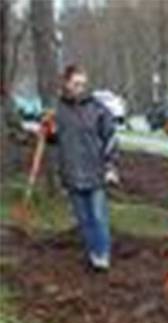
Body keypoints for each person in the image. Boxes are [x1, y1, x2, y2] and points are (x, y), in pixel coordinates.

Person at [48, 64, 119, 271]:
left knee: (99, 217)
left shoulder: (97, 109)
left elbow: (111, 137)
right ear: (66, 84)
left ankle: (103, 255)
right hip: (71, 172)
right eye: (76, 84)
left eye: (83, 84)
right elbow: (54, 139)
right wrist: (48, 133)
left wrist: (110, 165)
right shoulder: (58, 110)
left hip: (95, 170)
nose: (80, 88)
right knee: (84, 219)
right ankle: (93, 254)